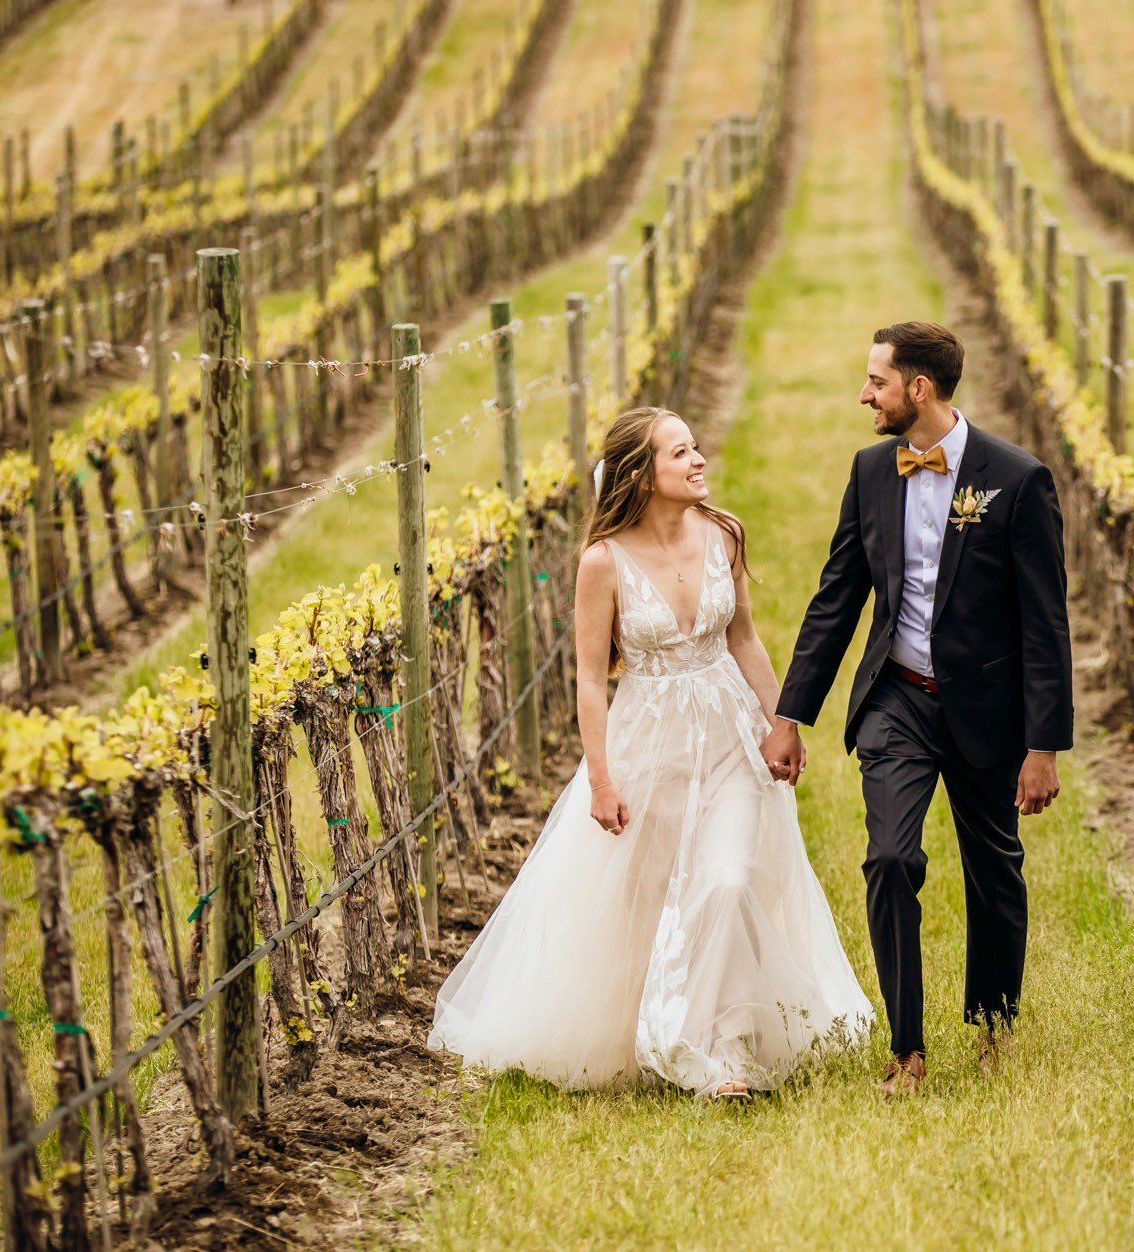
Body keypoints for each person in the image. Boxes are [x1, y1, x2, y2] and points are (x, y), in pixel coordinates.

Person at [429, 406, 874, 1099]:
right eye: (680, 452)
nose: (698, 460)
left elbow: (745, 638)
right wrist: (601, 779)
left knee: (727, 880)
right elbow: (587, 676)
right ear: (641, 474)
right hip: (650, 740)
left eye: (695, 447)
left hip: (729, 730)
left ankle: (715, 1050)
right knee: (657, 895)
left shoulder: (724, 534)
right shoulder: (602, 563)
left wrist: (781, 720)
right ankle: (656, 1027)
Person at [760, 321, 1074, 1098]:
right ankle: (907, 1048)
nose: (864, 394)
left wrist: (1045, 745)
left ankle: (994, 1019)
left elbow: (1047, 622)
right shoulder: (871, 471)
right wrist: (788, 714)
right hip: (896, 698)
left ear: (919, 389)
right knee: (890, 859)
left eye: (877, 381)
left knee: (994, 870)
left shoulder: (1018, 479)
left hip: (986, 710)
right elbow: (836, 599)